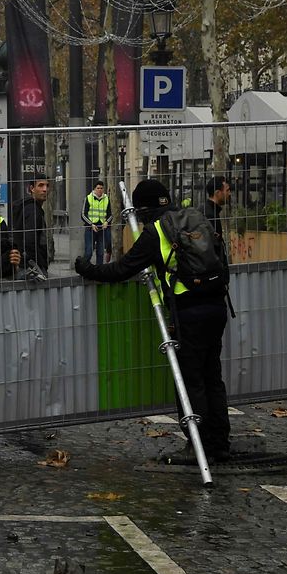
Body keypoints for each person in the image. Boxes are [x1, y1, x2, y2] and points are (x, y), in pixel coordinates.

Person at [74, 179, 232, 462]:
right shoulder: (195, 217)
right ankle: (219, 441)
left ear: (142, 209)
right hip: (217, 305)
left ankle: (200, 445)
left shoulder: (155, 231)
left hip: (188, 312)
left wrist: (87, 268)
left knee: (190, 380)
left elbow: (122, 269)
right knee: (212, 376)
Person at [11, 173, 50, 275]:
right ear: (32, 188)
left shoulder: (28, 207)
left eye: (47, 185)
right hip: (31, 268)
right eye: (41, 185)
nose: (45, 189)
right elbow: (30, 241)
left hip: (25, 265)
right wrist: (39, 266)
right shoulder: (33, 211)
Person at [82, 180, 112, 265]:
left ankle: (99, 272)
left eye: (101, 188)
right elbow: (83, 214)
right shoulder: (88, 198)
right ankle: (84, 269)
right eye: (98, 188)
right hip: (90, 228)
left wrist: (106, 222)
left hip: (102, 229)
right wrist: (91, 224)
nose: (100, 190)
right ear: (94, 189)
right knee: (88, 252)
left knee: (100, 253)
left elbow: (110, 214)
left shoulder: (106, 199)